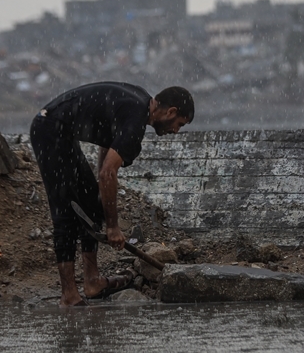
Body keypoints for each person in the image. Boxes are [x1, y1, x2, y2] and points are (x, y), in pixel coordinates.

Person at [30, 82, 194, 307]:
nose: (175, 131)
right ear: (171, 111)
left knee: (91, 202)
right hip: (49, 129)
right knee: (65, 211)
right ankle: (69, 295)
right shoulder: (136, 119)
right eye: (179, 124)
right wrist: (113, 227)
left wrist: (100, 195)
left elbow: (106, 148)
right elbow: (109, 172)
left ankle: (92, 281)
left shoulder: (139, 104)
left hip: (60, 131)